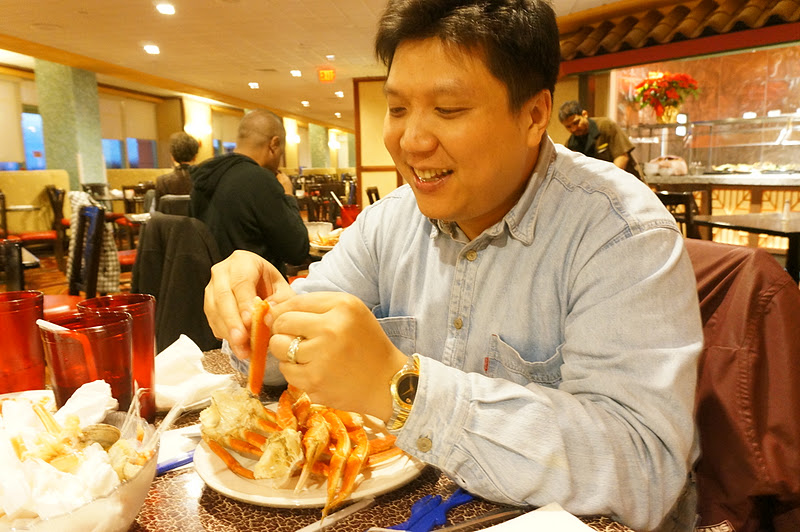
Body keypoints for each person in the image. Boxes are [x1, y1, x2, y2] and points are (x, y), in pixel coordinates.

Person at [203, 1, 702, 531]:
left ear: (534, 116)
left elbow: (644, 469)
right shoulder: (388, 223)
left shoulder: (620, 231)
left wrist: (401, 386)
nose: (411, 141)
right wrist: (261, 316)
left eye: (448, 109)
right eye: (397, 109)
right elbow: (285, 359)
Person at [190, 109, 309, 278]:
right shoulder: (260, 179)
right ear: (274, 144)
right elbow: (297, 250)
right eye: (281, 154)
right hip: (254, 286)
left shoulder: (204, 175)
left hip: (213, 283)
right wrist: (288, 196)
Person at [558, 100, 643, 180]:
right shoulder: (571, 143)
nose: (573, 129)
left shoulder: (606, 125)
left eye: (576, 122)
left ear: (584, 114)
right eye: (568, 126)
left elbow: (622, 157)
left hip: (625, 179)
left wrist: (608, 182)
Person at [155, 131, 200, 204]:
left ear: (172, 157)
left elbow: (159, 210)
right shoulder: (204, 179)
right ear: (195, 156)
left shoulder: (162, 181)